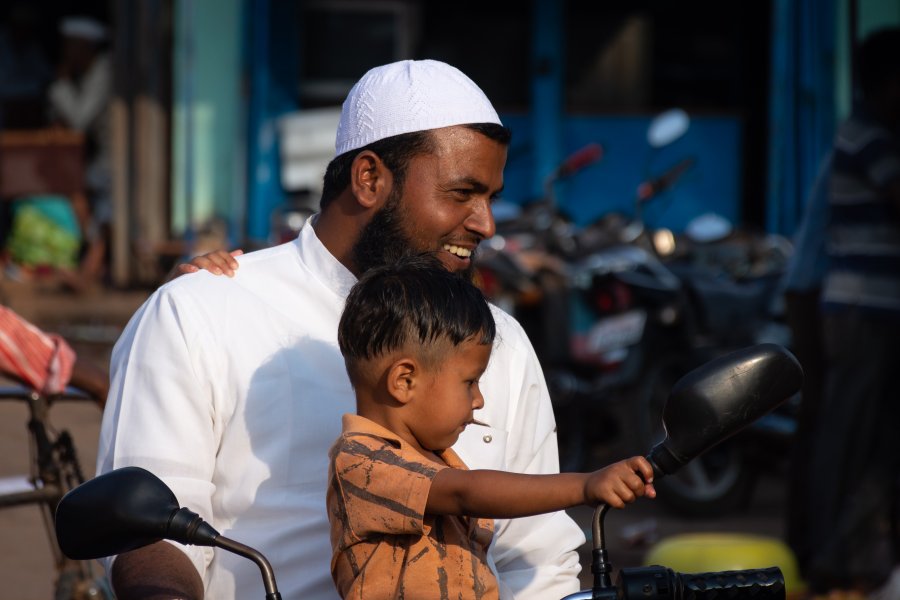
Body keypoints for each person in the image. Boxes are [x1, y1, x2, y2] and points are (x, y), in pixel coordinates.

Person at [97, 59, 587, 599]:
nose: (485, 224)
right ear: (370, 178)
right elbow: (151, 532)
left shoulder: (503, 343)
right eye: (461, 193)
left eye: (490, 197)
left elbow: (537, 562)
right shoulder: (203, 313)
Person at [328, 253, 655, 599]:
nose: (479, 400)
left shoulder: (436, 458)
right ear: (404, 380)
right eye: (470, 382)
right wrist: (586, 486)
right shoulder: (361, 462)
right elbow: (467, 492)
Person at [804, 27, 900, 598]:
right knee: (850, 440)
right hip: (864, 311)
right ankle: (833, 561)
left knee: (873, 445)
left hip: (876, 312)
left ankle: (854, 557)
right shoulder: (869, 135)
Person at [779, 151, 830, 576]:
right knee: (828, 426)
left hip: (821, 295)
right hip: (823, 298)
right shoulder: (867, 139)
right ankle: (815, 550)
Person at [47, 16, 113, 282]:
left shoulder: (103, 72)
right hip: (102, 157)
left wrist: (60, 84)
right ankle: (92, 264)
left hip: (113, 159)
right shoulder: (92, 72)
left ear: (84, 46)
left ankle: (92, 266)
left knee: (83, 194)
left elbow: (79, 119)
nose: (66, 53)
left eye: (70, 46)